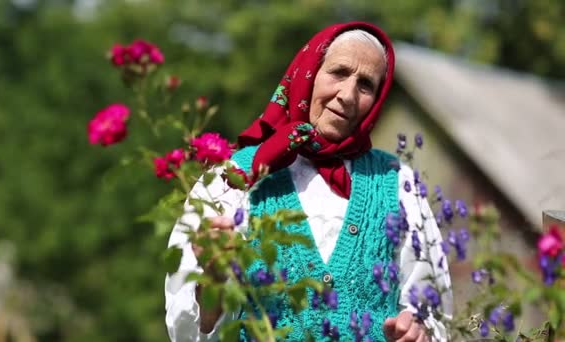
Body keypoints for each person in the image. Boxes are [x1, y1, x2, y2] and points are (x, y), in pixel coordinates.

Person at [165, 22, 452, 341]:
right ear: (309, 73)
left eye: (366, 85)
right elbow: (188, 334)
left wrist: (419, 333)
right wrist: (214, 279)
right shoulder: (229, 180)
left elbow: (432, 310)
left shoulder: (398, 184)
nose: (347, 95)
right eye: (339, 72)